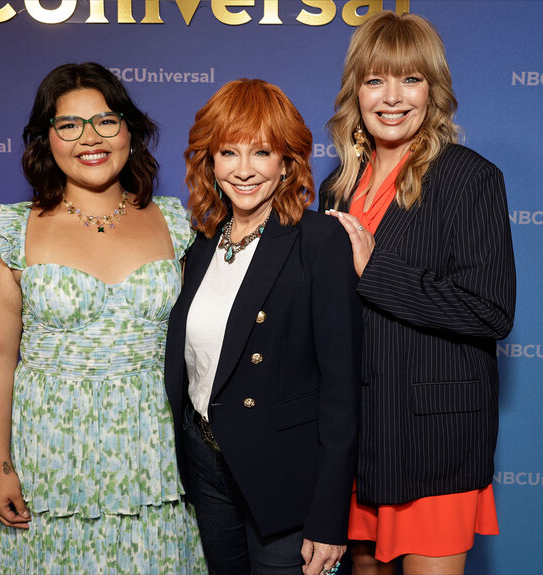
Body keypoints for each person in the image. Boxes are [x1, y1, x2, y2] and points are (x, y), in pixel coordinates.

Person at [0, 62, 205, 574]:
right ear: (46, 140)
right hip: (48, 461)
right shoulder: (12, 233)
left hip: (155, 457)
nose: (89, 138)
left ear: (130, 129)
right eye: (68, 125)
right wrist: (1, 467)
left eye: (105, 121)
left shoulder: (176, 223)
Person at [319, 12, 516, 575]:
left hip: (433, 437)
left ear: (434, 90)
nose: (392, 97)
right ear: (356, 91)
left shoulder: (467, 177)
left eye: (411, 79)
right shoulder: (338, 186)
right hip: (356, 431)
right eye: (376, 80)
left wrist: (375, 267)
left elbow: (490, 310)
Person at [164, 78, 361, 575]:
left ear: (288, 161)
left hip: (286, 477)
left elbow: (342, 388)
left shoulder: (319, 241)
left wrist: (330, 517)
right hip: (207, 466)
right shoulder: (201, 243)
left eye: (262, 152)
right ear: (209, 162)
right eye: (228, 152)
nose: (244, 170)